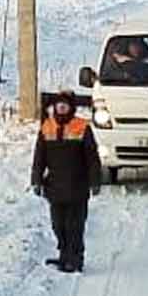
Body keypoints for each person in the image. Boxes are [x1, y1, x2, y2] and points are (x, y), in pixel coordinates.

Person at [30, 94, 101, 273]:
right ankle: (63, 255)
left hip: (78, 187)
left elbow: (92, 158)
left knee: (74, 226)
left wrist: (95, 181)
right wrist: (36, 179)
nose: (61, 109)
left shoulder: (82, 127)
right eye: (59, 106)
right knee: (58, 225)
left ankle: (75, 259)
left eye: (65, 106)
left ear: (71, 108)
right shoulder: (47, 127)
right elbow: (39, 157)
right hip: (54, 187)